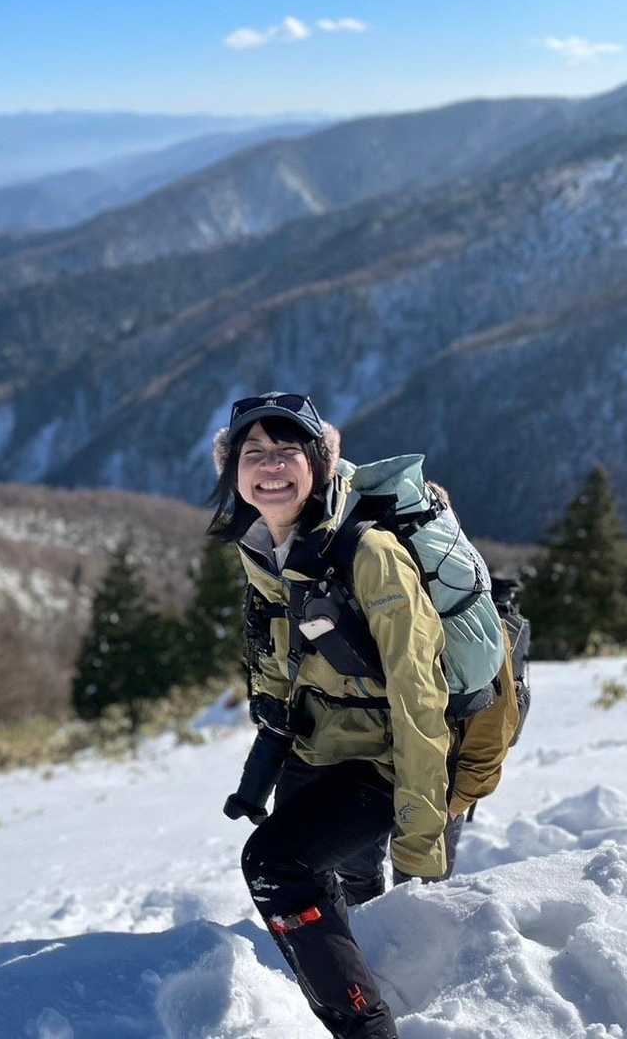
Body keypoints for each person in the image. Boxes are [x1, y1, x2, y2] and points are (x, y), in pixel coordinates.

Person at [209, 392, 494, 1039]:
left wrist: (419, 842)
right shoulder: (264, 544)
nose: (270, 466)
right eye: (253, 452)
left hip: (389, 757)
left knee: (276, 866)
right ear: (232, 470)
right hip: (323, 745)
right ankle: (371, 959)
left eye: (288, 450)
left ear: (319, 461)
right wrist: (267, 757)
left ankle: (368, 1028)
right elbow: (282, 661)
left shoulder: (369, 554)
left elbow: (419, 699)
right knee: (339, 880)